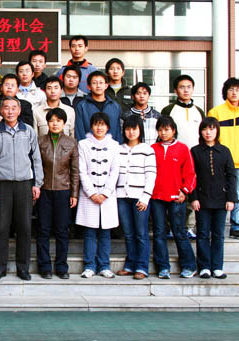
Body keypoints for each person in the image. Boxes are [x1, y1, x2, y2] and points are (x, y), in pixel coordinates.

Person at [0, 96, 44, 281]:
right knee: (1, 227)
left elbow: (36, 158)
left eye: (13, 108)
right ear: (1, 111)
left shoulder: (28, 131)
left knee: (24, 227)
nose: (10, 111)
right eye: (6, 108)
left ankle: (23, 268)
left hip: (25, 183)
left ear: (19, 110)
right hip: (2, 184)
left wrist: (37, 183)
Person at [208, 78, 239, 240]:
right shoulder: (215, 112)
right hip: (220, 161)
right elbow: (211, 137)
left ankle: (237, 226)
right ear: (225, 92)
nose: (234, 92)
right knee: (217, 193)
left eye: (237, 89)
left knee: (238, 195)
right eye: (231, 89)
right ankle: (216, 225)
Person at [150, 116, 197, 279]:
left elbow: (190, 173)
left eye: (166, 129)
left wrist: (184, 191)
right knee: (159, 232)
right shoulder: (152, 149)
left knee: (179, 231)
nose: (163, 133)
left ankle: (189, 265)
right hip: (156, 197)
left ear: (173, 130)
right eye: (160, 130)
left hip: (177, 197)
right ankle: (163, 267)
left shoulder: (183, 149)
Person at [191, 117, 236, 279]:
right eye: (205, 129)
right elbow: (191, 176)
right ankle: (204, 266)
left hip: (221, 199)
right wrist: (193, 197)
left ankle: (217, 266)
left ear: (217, 131)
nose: (208, 132)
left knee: (218, 234)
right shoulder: (195, 151)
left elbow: (231, 176)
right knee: (202, 233)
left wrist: (231, 198)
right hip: (202, 199)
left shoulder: (224, 151)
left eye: (211, 129)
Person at [36, 107, 79, 280]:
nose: (55, 124)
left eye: (58, 121)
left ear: (64, 123)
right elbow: (35, 166)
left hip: (63, 190)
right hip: (44, 190)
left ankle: (62, 267)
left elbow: (75, 171)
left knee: (62, 230)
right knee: (43, 229)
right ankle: (44, 266)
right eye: (51, 121)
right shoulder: (40, 141)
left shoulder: (71, 142)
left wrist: (74, 194)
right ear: (47, 123)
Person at [76, 112, 120, 279]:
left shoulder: (114, 145)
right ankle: (89, 266)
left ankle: (104, 265)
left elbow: (115, 171)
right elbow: (82, 170)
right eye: (96, 124)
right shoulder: (83, 144)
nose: (99, 128)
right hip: (89, 194)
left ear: (107, 127)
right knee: (89, 231)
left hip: (108, 195)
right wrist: (92, 192)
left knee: (105, 232)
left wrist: (106, 192)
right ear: (91, 126)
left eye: (102, 124)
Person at [161, 74, 205, 239]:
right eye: (181, 87)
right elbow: (163, 133)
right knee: (172, 190)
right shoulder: (169, 110)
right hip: (174, 157)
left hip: (195, 157)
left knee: (191, 191)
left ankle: (188, 226)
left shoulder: (199, 111)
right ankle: (171, 226)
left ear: (193, 89)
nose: (185, 90)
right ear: (175, 90)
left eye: (189, 87)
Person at [116, 115, 156, 280]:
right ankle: (130, 264)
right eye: (128, 129)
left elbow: (151, 175)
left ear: (140, 130)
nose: (131, 132)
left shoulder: (147, 150)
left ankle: (142, 266)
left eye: (134, 129)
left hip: (140, 198)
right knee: (128, 233)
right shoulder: (119, 149)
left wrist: (146, 197)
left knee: (141, 233)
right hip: (121, 197)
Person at [74, 71, 122, 143]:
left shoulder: (115, 106)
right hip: (88, 147)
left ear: (106, 86)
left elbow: (118, 131)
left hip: (111, 148)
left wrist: (116, 147)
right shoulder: (82, 106)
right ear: (89, 86)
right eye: (94, 83)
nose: (98, 86)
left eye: (101, 83)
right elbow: (79, 131)